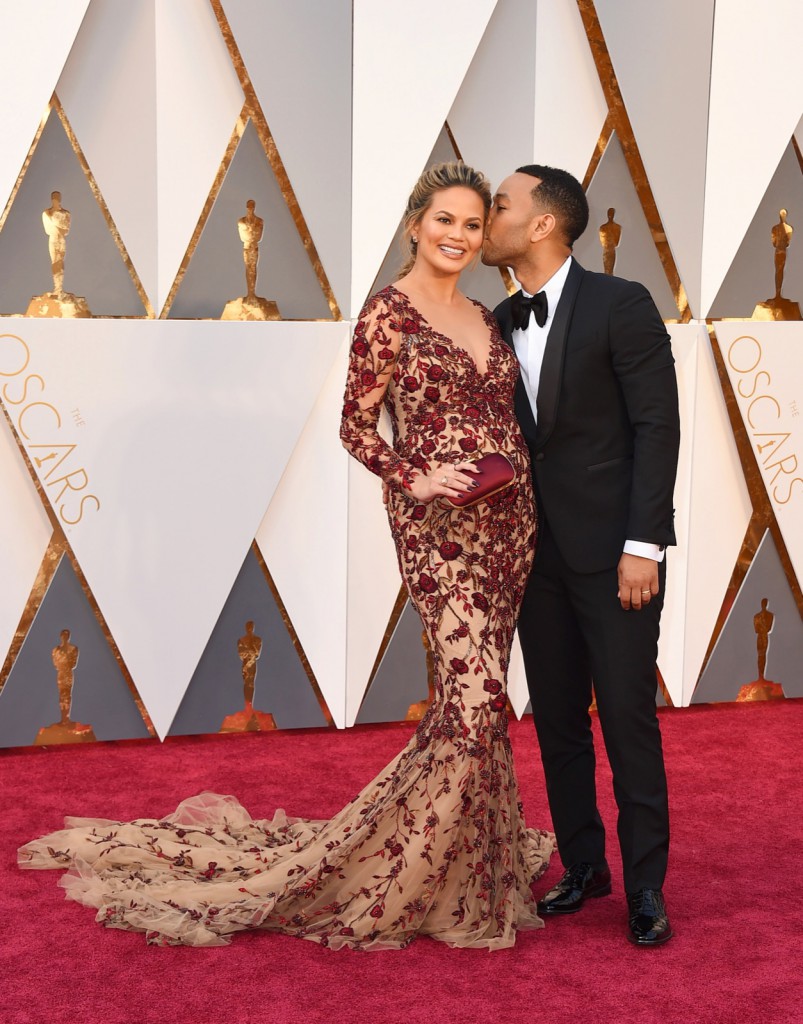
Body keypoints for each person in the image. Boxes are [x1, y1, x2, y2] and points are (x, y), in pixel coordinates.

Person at [19, 161, 554, 950]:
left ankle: (467, 872)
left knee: (467, 704)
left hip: (509, 526)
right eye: (444, 219)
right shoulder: (387, 315)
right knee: (472, 703)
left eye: (473, 225)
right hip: (437, 531)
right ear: (414, 225)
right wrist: (417, 473)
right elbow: (355, 427)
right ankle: (393, 877)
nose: (458, 235)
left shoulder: (486, 312)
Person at [482, 165, 680, 946]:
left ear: (541, 225)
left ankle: (645, 887)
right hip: (536, 560)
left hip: (614, 556)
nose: (486, 218)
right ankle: (583, 866)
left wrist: (643, 545)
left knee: (628, 718)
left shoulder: (619, 303)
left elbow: (654, 429)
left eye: (499, 205)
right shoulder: (496, 319)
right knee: (557, 721)